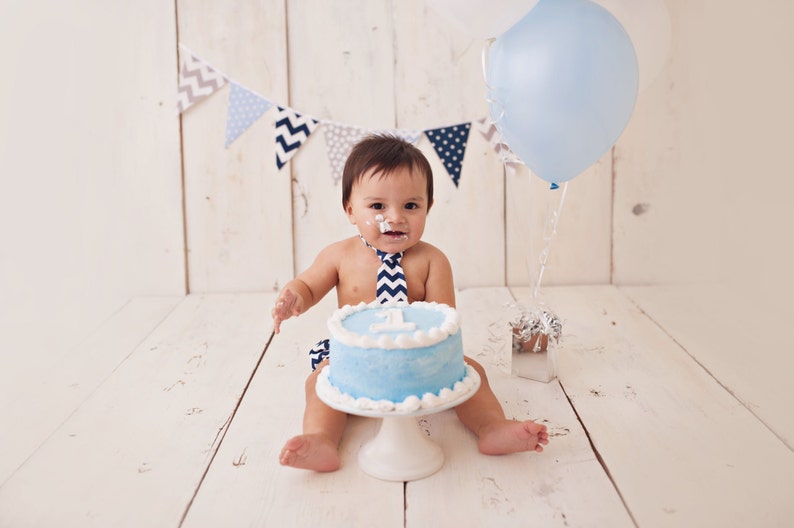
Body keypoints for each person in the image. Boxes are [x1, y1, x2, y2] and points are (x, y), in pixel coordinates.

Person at [272, 135, 548, 472]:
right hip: (355, 359)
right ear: (350, 210)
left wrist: (433, 359)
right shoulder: (339, 255)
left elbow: (443, 321)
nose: (395, 217)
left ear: (428, 207)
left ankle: (491, 427)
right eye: (377, 207)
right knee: (318, 382)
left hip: (418, 361)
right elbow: (309, 286)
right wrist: (293, 296)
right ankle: (322, 440)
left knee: (472, 371)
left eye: (410, 206)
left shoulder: (432, 261)